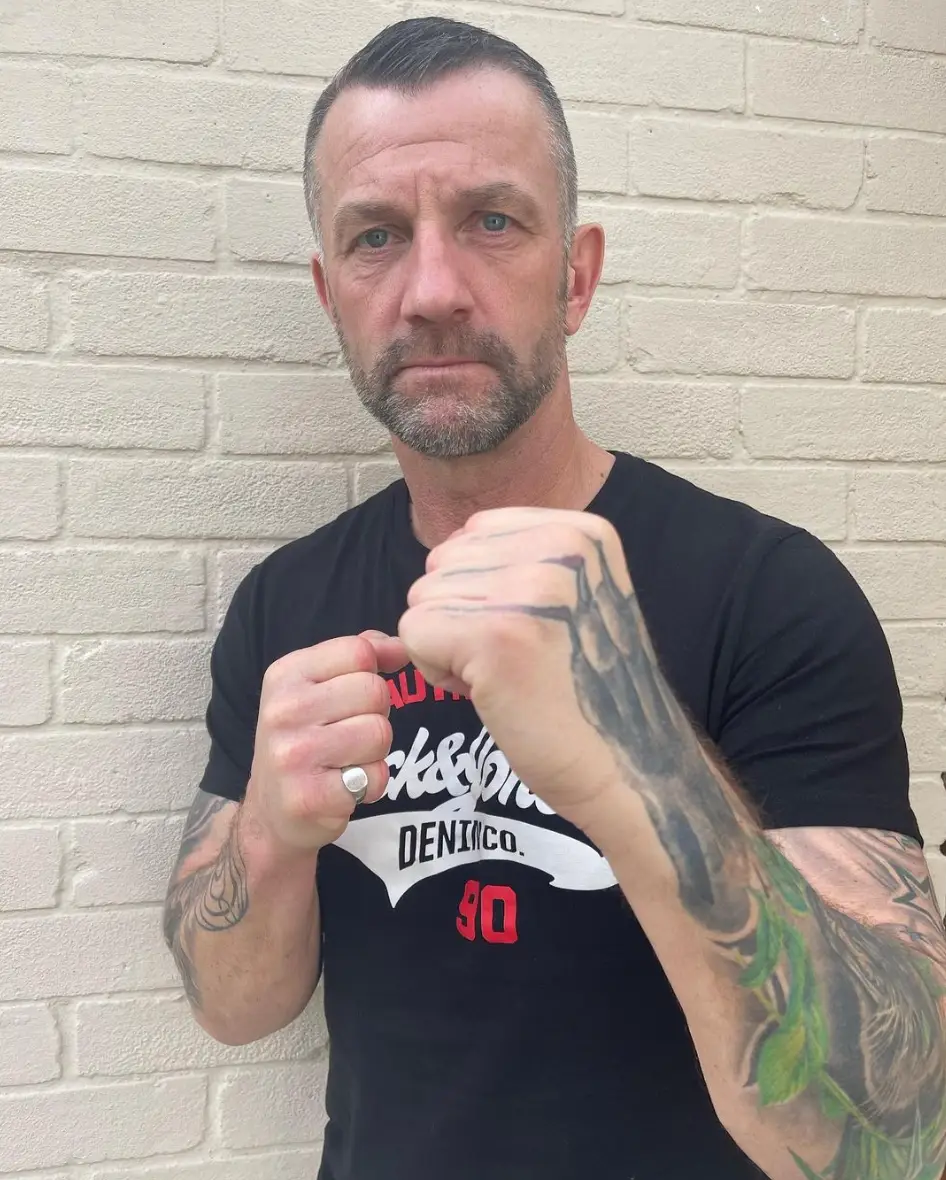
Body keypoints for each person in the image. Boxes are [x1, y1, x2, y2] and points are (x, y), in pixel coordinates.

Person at [162, 17, 946, 1180]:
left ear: (575, 275)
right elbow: (232, 1006)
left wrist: (636, 755)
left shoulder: (769, 595)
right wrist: (270, 840)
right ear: (331, 293)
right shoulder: (287, 606)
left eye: (492, 220)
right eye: (377, 236)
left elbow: (896, 1134)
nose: (432, 289)